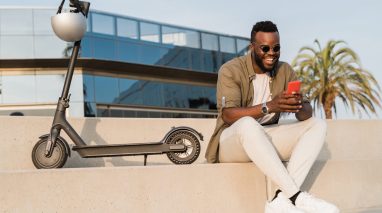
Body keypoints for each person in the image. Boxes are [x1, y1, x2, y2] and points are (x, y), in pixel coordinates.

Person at [205, 21, 339, 213]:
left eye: (276, 48)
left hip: (263, 138)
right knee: (247, 124)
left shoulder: (285, 70)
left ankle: (280, 200)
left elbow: (306, 114)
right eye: (265, 48)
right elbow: (228, 115)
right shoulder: (231, 69)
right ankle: (296, 196)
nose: (271, 53)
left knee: (317, 125)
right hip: (231, 142)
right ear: (252, 47)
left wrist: (298, 104)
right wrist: (271, 106)